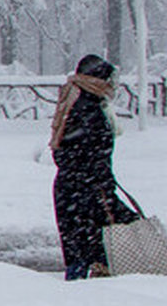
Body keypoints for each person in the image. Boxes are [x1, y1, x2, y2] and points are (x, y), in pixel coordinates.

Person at [50, 54, 138, 280]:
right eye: (108, 79)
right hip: (87, 191)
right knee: (97, 247)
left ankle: (81, 284)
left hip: (75, 189)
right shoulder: (88, 110)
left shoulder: (75, 102)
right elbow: (87, 154)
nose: (111, 85)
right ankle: (91, 295)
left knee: (79, 249)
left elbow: (63, 152)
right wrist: (102, 187)